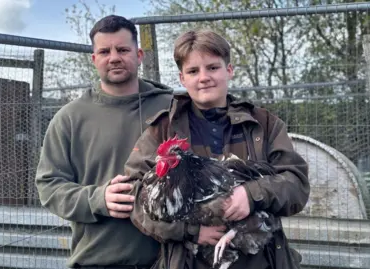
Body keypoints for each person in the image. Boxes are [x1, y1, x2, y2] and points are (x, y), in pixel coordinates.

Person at [124, 29, 310, 269]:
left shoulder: (263, 124)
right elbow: (133, 194)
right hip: (188, 262)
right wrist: (189, 230)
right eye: (193, 71)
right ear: (182, 79)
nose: (204, 78)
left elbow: (296, 184)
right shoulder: (162, 129)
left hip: (259, 261)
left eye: (212, 67)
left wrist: (252, 194)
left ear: (229, 70)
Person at [35, 15, 173, 268]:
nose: (114, 57)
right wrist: (98, 199)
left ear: (139, 54)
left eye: (122, 49)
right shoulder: (70, 118)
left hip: (169, 259)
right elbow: (49, 185)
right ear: (94, 59)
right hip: (98, 259)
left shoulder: (171, 107)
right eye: (104, 51)